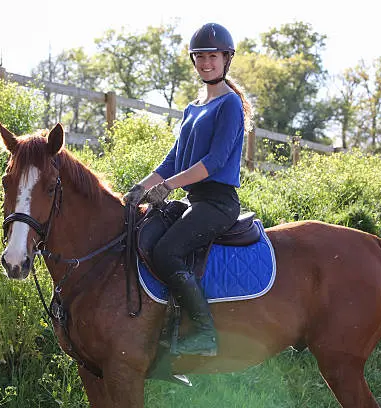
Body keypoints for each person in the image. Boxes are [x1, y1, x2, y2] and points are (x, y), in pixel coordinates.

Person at [123, 22, 253, 357]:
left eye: (213, 56)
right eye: (200, 57)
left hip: (219, 204)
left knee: (167, 252)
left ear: (227, 59)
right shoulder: (192, 108)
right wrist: (141, 187)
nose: (207, 62)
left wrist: (167, 187)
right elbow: (173, 161)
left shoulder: (230, 105)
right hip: (195, 200)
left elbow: (214, 161)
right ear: (194, 61)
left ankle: (206, 335)